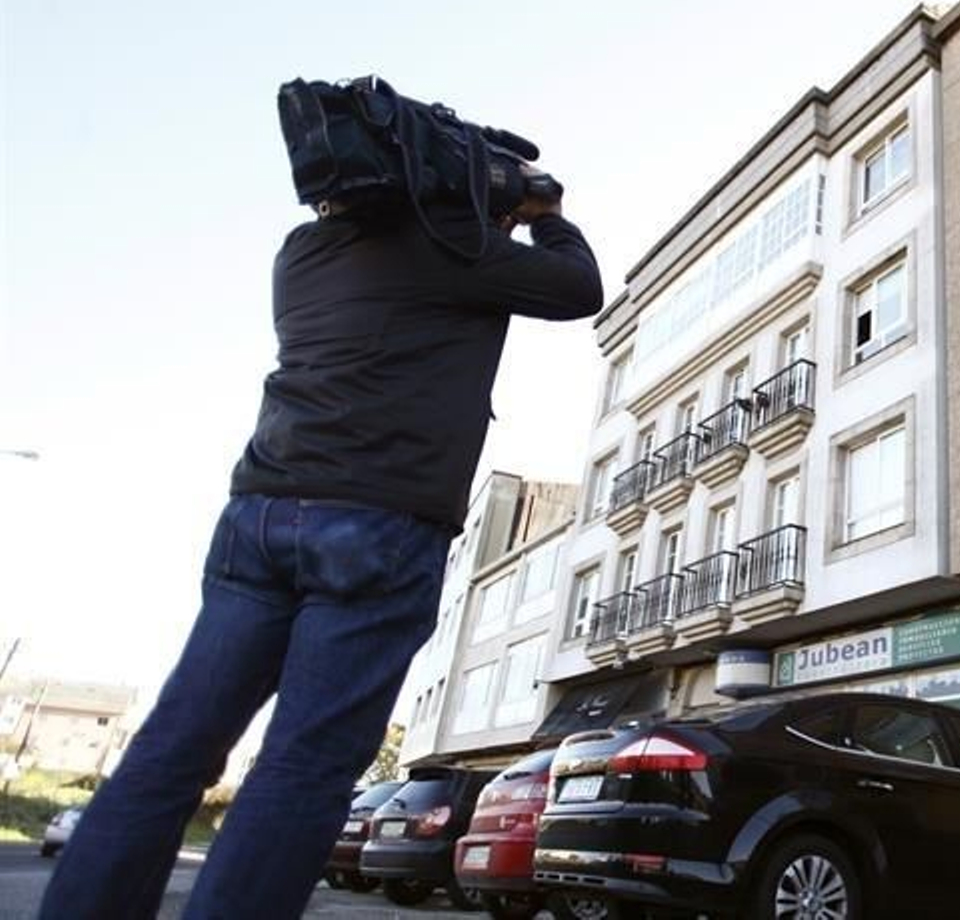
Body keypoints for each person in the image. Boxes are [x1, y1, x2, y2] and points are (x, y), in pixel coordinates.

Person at [39, 164, 602, 919]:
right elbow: (578, 287)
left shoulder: (304, 251)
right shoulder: (456, 250)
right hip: (378, 527)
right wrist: (545, 212)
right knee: (302, 767)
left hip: (258, 520)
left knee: (170, 752)